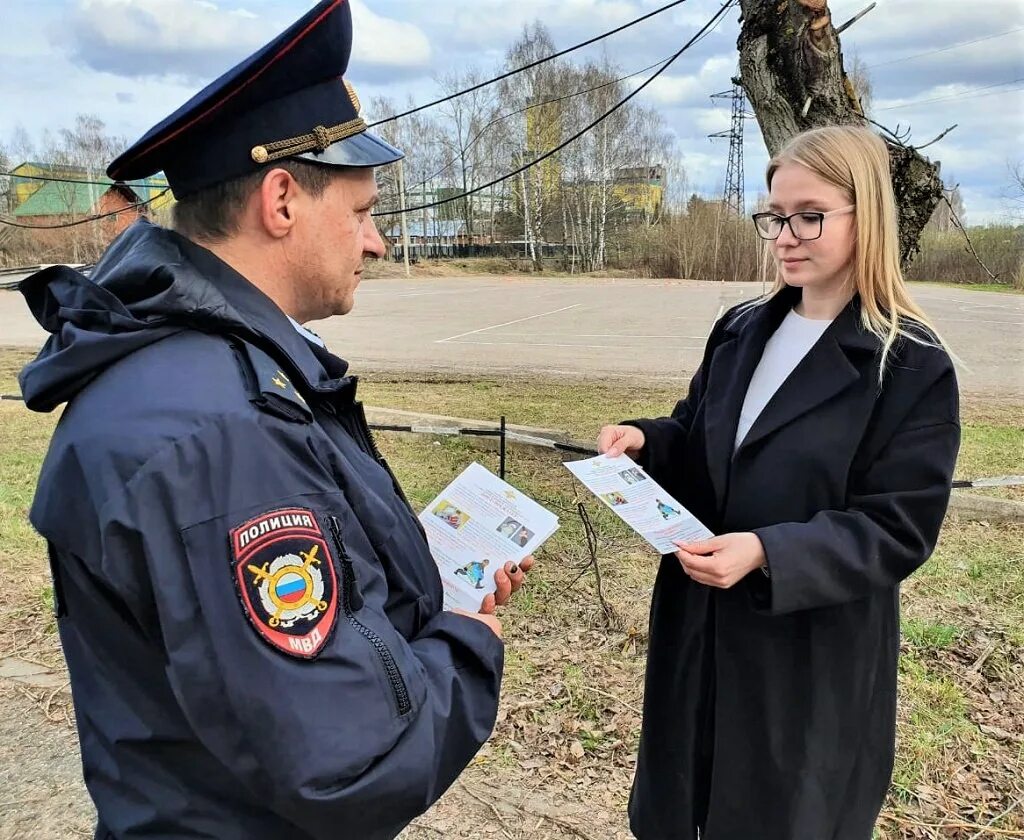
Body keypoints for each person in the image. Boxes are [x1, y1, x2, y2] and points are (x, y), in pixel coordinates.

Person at [17, 2, 532, 838]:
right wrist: (467, 637)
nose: (377, 243)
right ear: (282, 199)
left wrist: (421, 581)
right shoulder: (221, 429)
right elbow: (350, 756)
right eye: (363, 212)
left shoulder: (189, 373)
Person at [597, 125, 960, 840]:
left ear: (869, 217)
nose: (785, 236)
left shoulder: (910, 364)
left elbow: (899, 528)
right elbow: (699, 441)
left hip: (804, 659)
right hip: (699, 634)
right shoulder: (740, 331)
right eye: (774, 216)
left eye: (809, 216)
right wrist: (646, 440)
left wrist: (767, 551)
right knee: (685, 806)